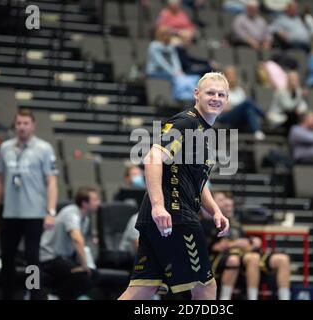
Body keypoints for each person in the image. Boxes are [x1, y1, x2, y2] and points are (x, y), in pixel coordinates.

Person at [118, 72, 230, 300]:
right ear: (196, 94)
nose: (216, 98)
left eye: (221, 94)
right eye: (210, 93)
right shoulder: (186, 122)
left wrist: (215, 210)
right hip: (175, 218)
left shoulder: (205, 132)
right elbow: (152, 157)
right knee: (205, 287)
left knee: (142, 289)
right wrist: (159, 206)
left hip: (161, 220)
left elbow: (197, 182)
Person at [0, 109, 59, 300]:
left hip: (34, 213)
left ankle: (35, 295)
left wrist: (50, 211)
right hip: (10, 213)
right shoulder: (5, 148)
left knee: (32, 259)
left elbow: (51, 181)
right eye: (18, 123)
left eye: (25, 123)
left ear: (33, 125)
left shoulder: (44, 149)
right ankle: (8, 295)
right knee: (7, 257)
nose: (22, 127)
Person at [201, 191, 291, 300]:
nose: (226, 204)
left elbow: (243, 238)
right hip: (228, 256)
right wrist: (235, 244)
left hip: (246, 252)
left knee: (283, 259)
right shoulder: (208, 222)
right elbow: (213, 246)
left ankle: (285, 297)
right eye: (222, 201)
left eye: (229, 204)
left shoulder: (235, 221)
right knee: (251, 258)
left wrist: (253, 241)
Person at [40, 186, 100, 300]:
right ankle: (55, 297)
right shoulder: (71, 212)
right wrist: (84, 265)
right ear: (84, 203)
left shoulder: (85, 219)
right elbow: (77, 239)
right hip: (48, 256)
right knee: (82, 276)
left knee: (94, 275)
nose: (98, 202)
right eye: (95, 199)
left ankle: (57, 296)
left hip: (64, 258)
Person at [218, 65, 266, 140]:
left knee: (249, 110)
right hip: (225, 117)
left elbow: (242, 106)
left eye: (233, 75)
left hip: (239, 117)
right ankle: (266, 116)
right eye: (229, 75)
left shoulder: (239, 91)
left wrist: (234, 106)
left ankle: (257, 132)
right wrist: (236, 106)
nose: (231, 77)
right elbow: (222, 108)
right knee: (248, 102)